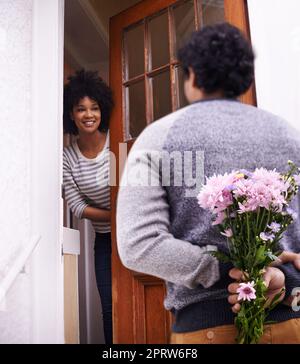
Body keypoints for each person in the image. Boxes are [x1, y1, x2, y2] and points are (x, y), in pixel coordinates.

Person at [116, 23, 300, 344]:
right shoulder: (289, 135)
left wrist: (218, 270)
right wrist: (282, 277)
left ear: (192, 76)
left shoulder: (156, 138)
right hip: (291, 323)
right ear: (243, 78)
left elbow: (138, 244)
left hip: (205, 330)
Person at [63, 70, 114, 344]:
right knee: (109, 308)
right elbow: (77, 207)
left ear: (102, 110)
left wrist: (120, 215)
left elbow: (124, 192)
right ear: (71, 114)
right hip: (105, 240)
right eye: (81, 109)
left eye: (94, 107)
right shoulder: (68, 157)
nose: (88, 114)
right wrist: (113, 216)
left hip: (133, 236)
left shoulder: (116, 145)